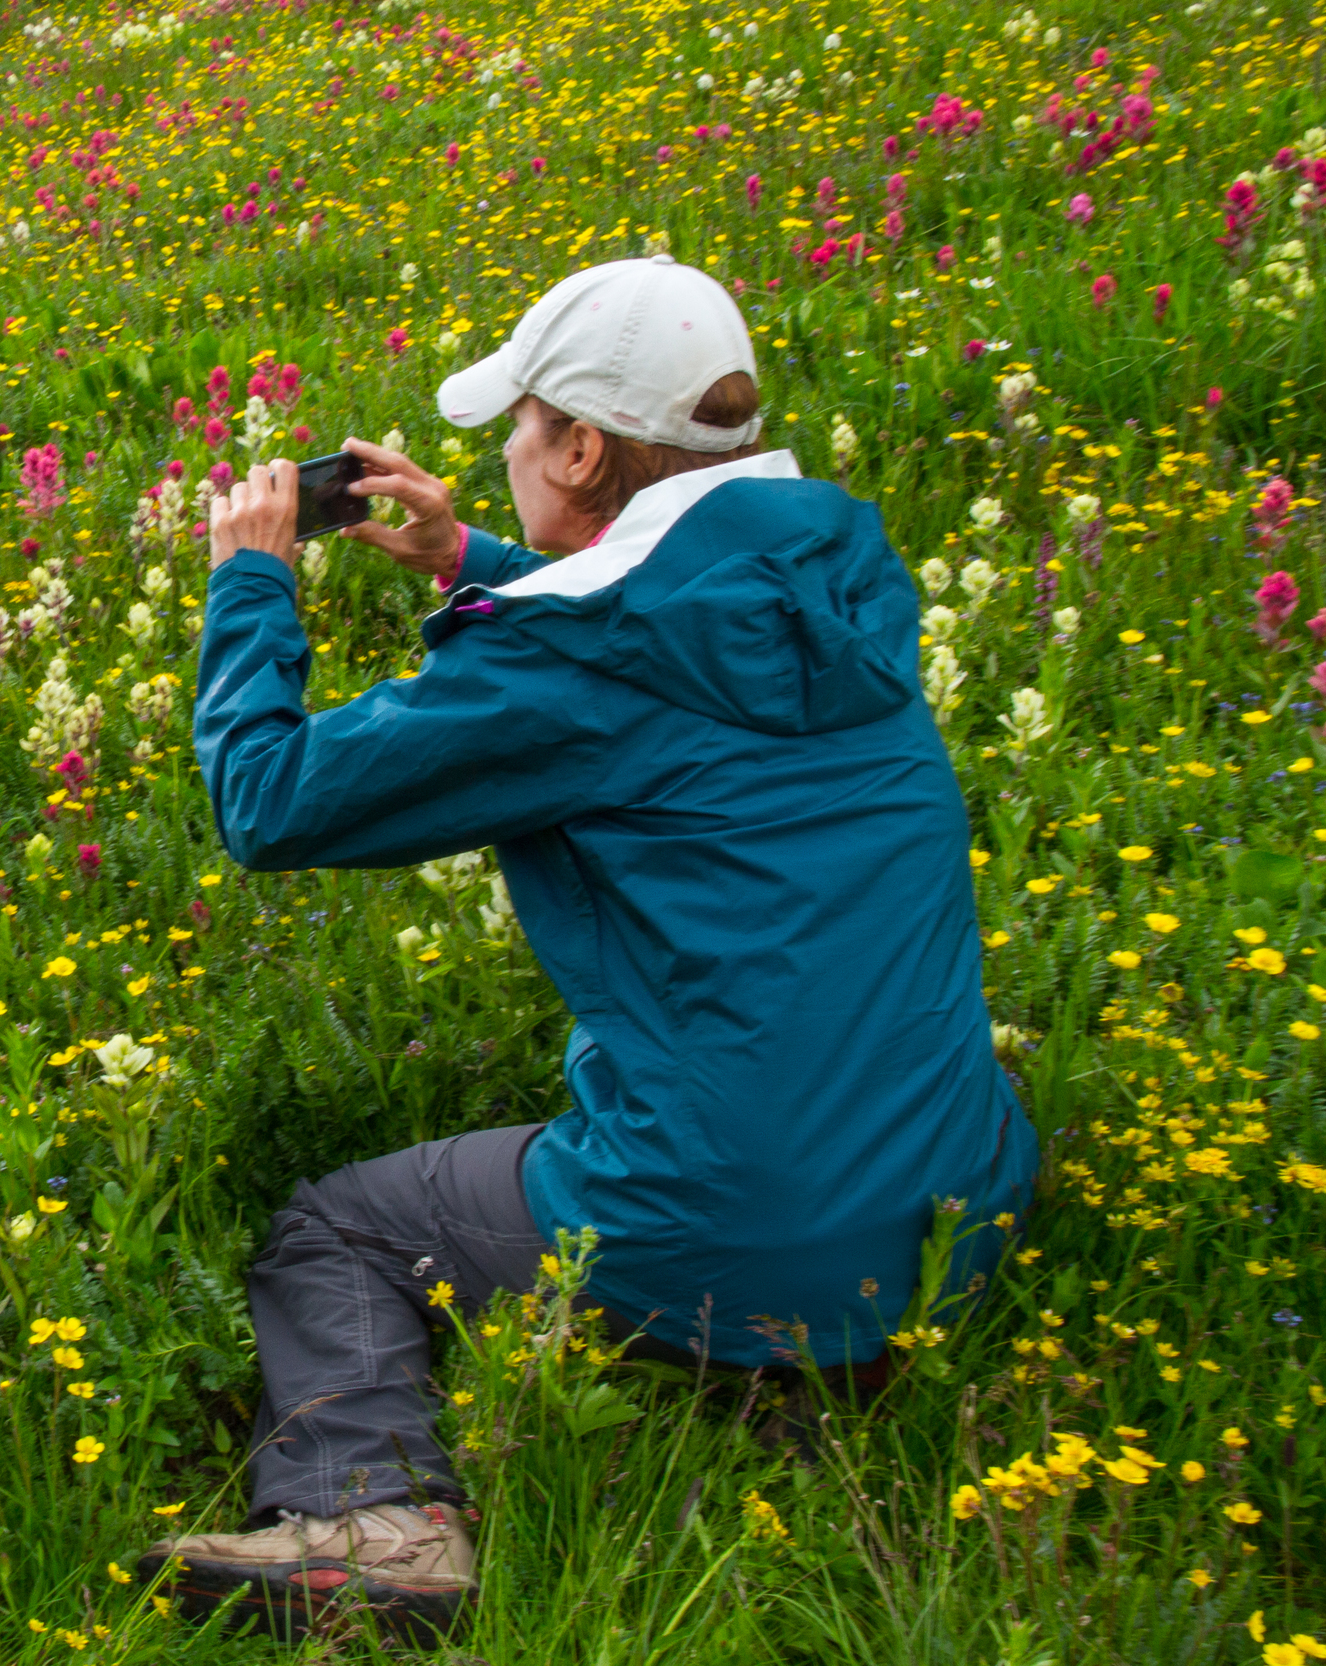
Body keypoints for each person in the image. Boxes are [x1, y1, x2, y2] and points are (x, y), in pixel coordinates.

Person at [134, 255, 1038, 1638]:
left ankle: (377, 1516)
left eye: (519, 422)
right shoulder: (832, 581)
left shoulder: (568, 661)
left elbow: (268, 801)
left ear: (582, 446)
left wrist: (252, 585)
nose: (499, 451)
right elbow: (659, 637)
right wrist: (469, 562)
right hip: (957, 1203)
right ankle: (806, 1365)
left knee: (336, 1229)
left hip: (735, 1220)